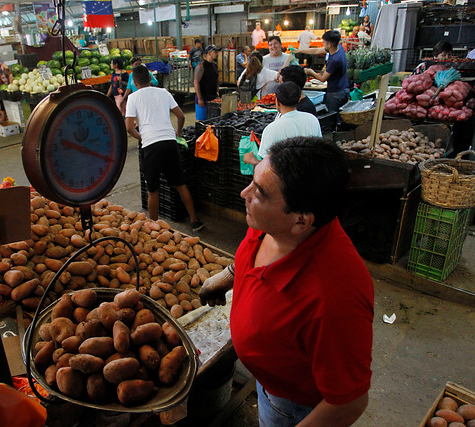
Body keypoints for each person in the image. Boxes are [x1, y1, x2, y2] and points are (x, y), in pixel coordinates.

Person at [199, 137, 374, 426]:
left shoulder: (334, 301)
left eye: (260, 193)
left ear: (301, 221)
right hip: (268, 383)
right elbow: (253, 251)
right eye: (251, 182)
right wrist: (229, 276)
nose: (245, 193)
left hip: (293, 408)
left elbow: (349, 402)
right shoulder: (273, 224)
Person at [125, 65, 204, 232]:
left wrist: (142, 137)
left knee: (153, 190)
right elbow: (181, 116)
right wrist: (177, 132)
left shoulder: (133, 97)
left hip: (151, 146)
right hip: (170, 142)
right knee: (181, 184)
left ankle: (154, 228)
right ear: (149, 79)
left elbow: (129, 127)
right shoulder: (163, 92)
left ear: (135, 82)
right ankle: (195, 220)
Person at [243, 82, 321, 166]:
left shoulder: (272, 129)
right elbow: (320, 148)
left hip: (286, 177)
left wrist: (252, 160)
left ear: (277, 101)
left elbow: (267, 167)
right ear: (299, 99)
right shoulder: (312, 119)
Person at [297, 30, 349, 119]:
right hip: (343, 88)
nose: (323, 43)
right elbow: (317, 50)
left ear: (329, 44)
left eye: (324, 42)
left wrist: (311, 72)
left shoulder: (335, 60)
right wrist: (299, 50)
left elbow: (323, 78)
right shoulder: (339, 48)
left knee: (332, 117)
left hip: (335, 93)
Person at [193, 45, 220, 121]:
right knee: (203, 121)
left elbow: (217, 79)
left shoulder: (215, 65)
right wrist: (200, 98)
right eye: (215, 52)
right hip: (203, 98)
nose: (216, 54)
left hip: (213, 99)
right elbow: (196, 82)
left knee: (213, 121)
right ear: (209, 53)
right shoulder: (201, 66)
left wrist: (217, 90)